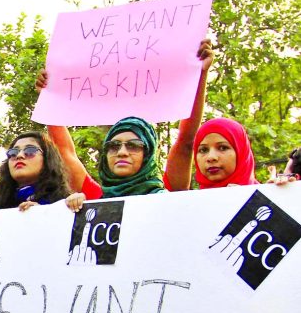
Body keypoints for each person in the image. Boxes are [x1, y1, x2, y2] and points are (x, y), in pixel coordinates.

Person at [40, 39, 214, 205]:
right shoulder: (96, 198)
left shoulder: (169, 192)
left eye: (133, 145)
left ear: (148, 154)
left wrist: (200, 74)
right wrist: (49, 95)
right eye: (114, 146)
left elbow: (186, 141)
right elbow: (64, 152)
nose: (122, 152)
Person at [0, 132, 71, 210]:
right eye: (13, 153)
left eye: (30, 151)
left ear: (47, 158)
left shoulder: (67, 204)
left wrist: (43, 212)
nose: (19, 156)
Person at [193, 118, 259, 189]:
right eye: (203, 150)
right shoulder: (190, 199)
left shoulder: (264, 197)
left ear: (241, 153)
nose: (211, 157)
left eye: (223, 148)